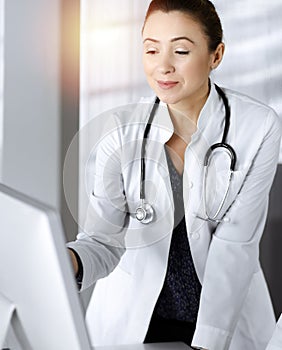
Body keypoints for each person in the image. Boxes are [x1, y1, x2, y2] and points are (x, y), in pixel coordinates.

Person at [67, 0, 281, 349]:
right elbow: (103, 240)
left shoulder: (258, 127)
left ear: (216, 55)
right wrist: (70, 261)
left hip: (221, 323)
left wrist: (207, 344)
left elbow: (235, 244)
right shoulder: (120, 132)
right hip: (134, 322)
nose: (162, 66)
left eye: (181, 50)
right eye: (151, 50)